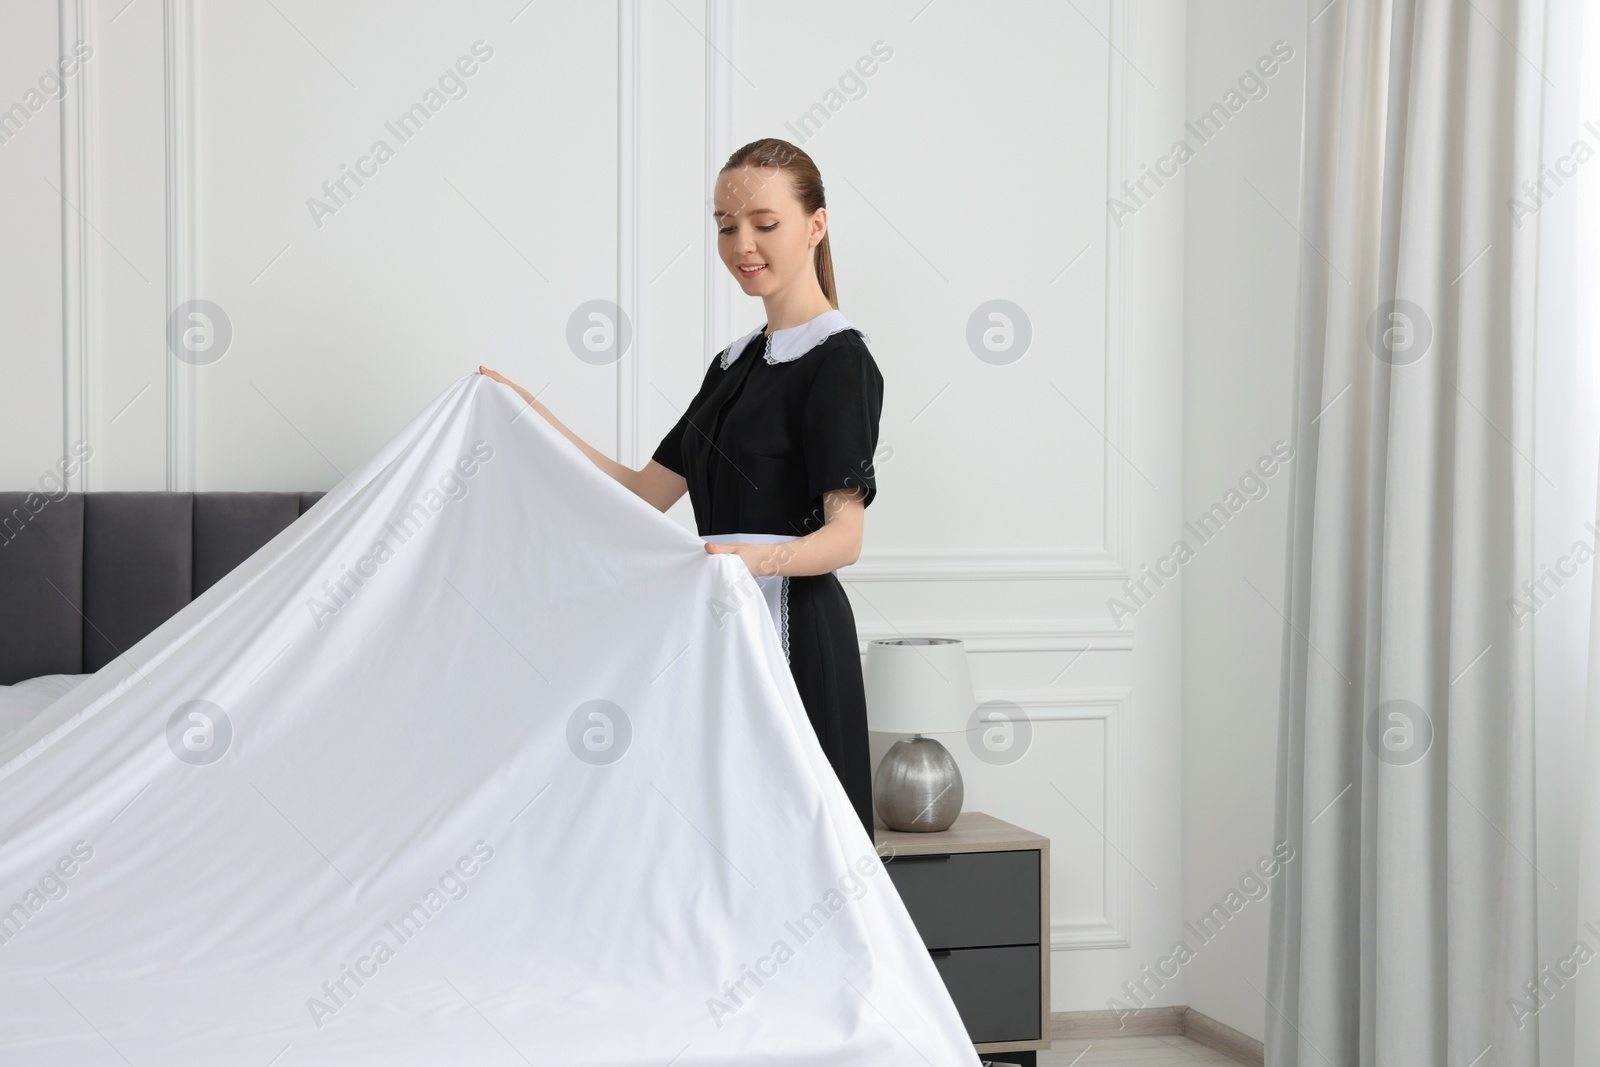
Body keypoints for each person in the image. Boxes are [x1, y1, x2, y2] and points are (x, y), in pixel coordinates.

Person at [480, 137, 884, 839]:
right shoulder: (733, 364)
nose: (741, 244)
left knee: (794, 843)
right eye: (726, 226)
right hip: (719, 621)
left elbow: (844, 539)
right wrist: (523, 415)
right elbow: (641, 492)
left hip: (790, 626)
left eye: (764, 223)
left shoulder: (839, 359)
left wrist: (745, 561)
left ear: (815, 225)